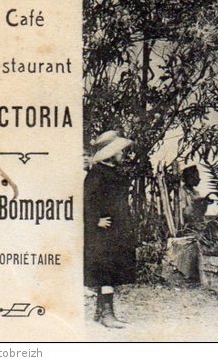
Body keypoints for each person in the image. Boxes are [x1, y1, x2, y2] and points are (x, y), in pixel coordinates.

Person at [84, 130, 136, 329]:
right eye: (119, 151)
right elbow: (87, 202)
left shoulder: (112, 174)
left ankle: (100, 311)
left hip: (115, 230)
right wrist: (95, 220)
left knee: (112, 269)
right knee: (105, 271)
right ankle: (107, 313)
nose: (122, 154)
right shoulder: (96, 175)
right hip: (103, 232)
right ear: (110, 153)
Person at [178, 165, 207, 230]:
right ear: (187, 178)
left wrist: (205, 204)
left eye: (197, 177)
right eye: (194, 177)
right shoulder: (181, 192)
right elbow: (183, 212)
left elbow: (201, 213)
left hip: (197, 223)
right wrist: (196, 204)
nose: (197, 179)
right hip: (185, 225)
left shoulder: (196, 193)